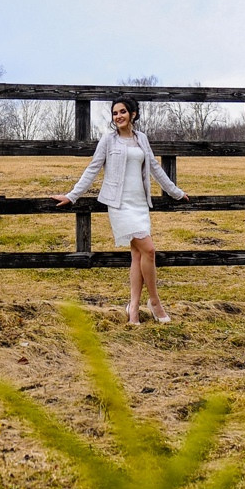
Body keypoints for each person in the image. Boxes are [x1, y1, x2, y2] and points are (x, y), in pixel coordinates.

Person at [51, 97, 189, 324]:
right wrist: (72, 195)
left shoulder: (142, 139)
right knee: (150, 250)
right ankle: (154, 302)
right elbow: (93, 168)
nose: (118, 116)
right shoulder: (108, 140)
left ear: (133, 113)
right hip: (119, 204)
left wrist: (175, 192)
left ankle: (133, 307)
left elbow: (155, 167)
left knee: (138, 255)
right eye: (115, 113)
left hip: (140, 203)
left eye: (123, 112)